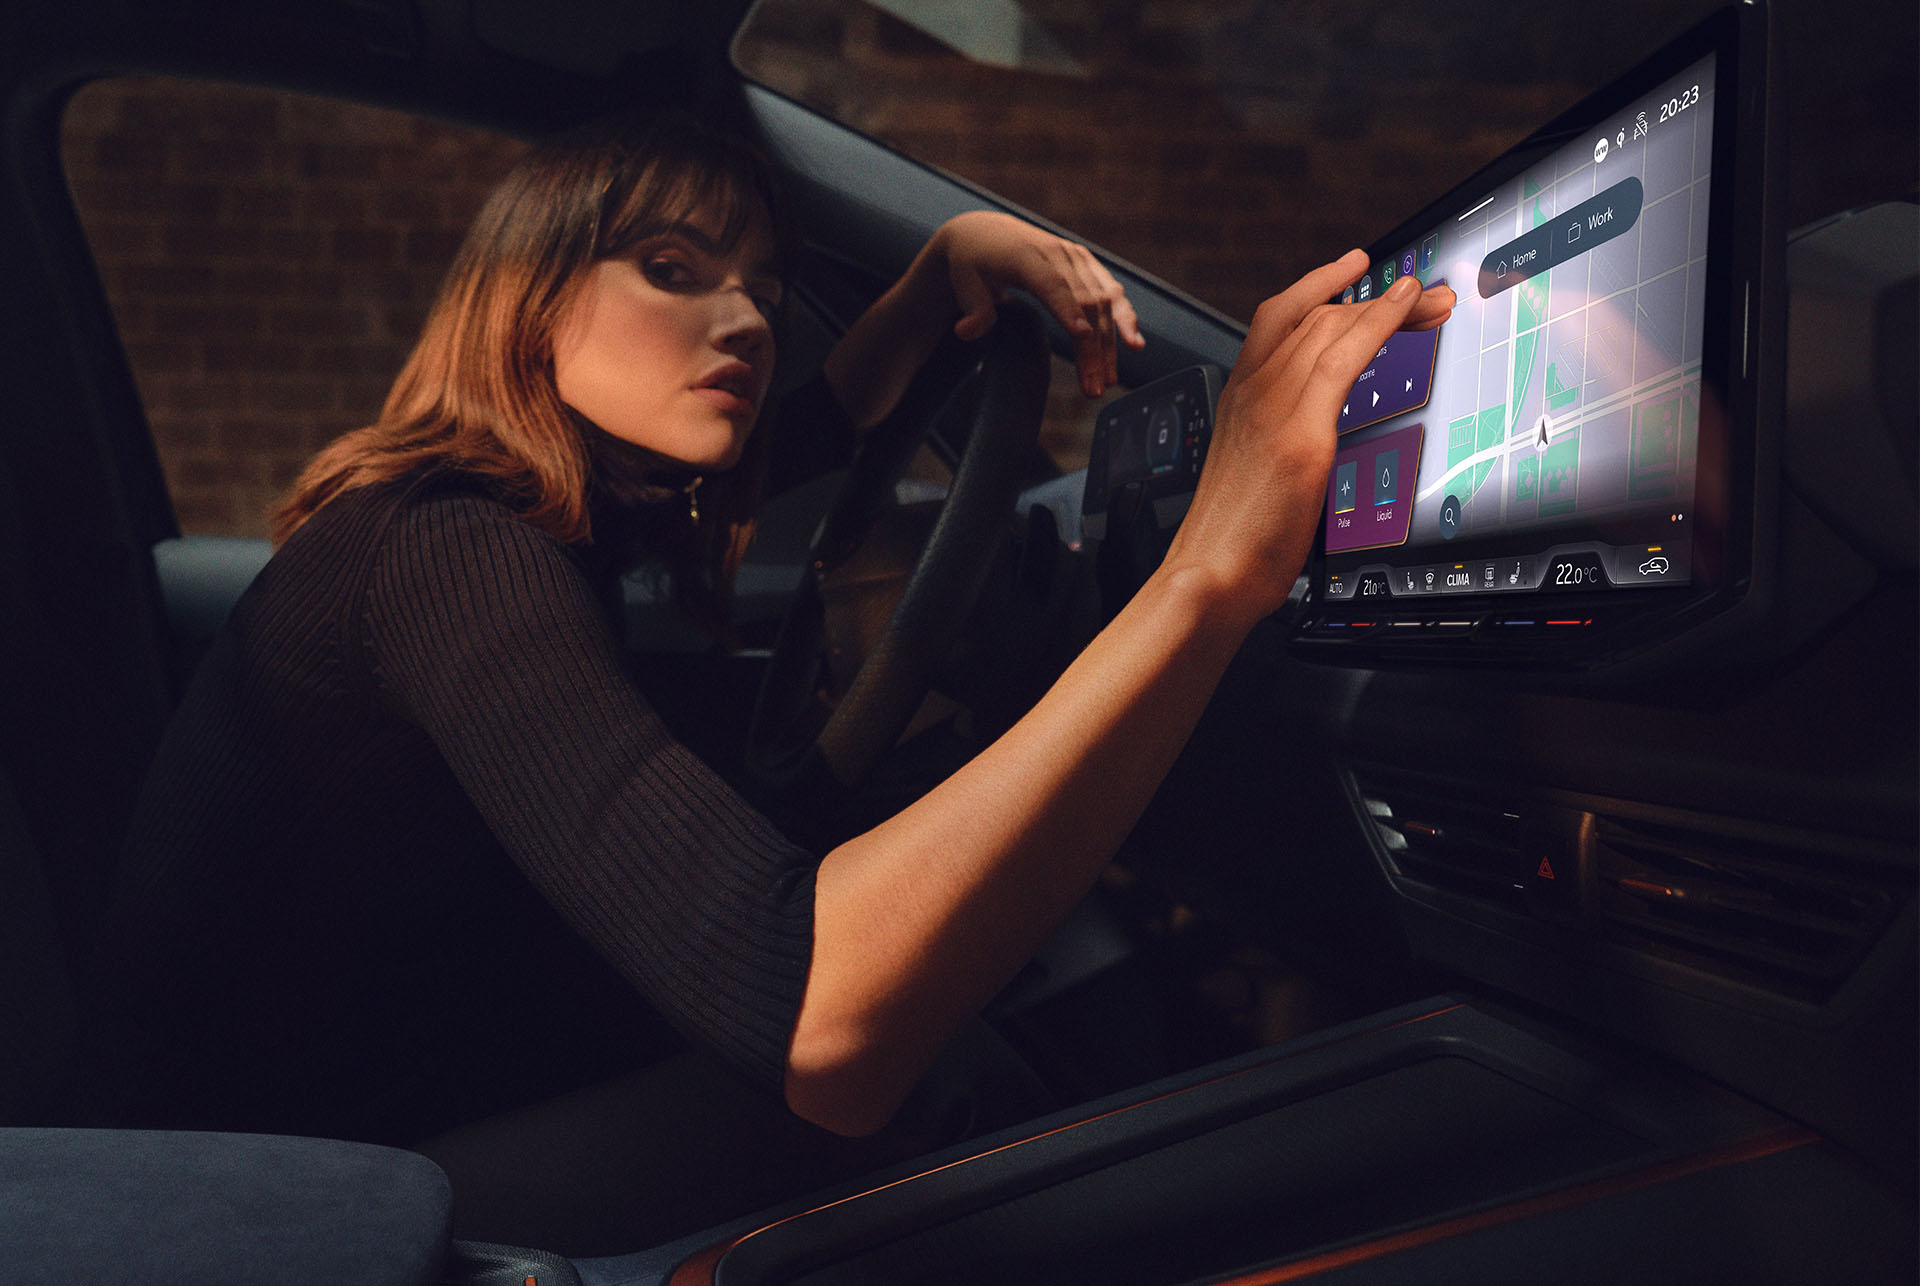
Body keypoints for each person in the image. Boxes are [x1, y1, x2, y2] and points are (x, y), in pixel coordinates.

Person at [93, 110, 1452, 1251]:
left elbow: (806, 428)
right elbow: (826, 1022)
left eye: (758, 279)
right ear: (528, 298)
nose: (743, 315)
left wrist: (935, 276)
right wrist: (1211, 570)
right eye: (674, 268)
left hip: (391, 1076)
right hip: (285, 1200)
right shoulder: (449, 551)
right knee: (945, 1079)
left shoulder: (551, 512)